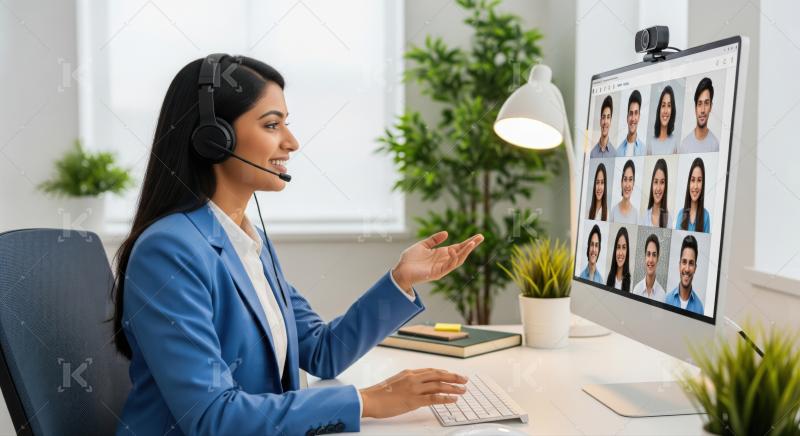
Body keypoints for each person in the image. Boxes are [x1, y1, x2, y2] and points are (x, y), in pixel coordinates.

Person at [111, 54, 485, 435]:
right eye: (272, 125)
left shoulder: (246, 242)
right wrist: (367, 400)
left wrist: (401, 280)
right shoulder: (169, 250)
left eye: (286, 124)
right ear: (213, 139)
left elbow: (323, 352)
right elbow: (213, 418)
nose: (292, 142)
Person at [665, 235, 705, 314]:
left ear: (695, 268)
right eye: (684, 262)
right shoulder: (667, 300)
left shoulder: (699, 308)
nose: (687, 269)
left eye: (691, 263)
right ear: (679, 265)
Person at [679, 77, 719, 153]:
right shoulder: (685, 145)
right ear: (695, 108)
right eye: (699, 104)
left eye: (706, 103)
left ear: (711, 107)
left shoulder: (715, 145)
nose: (703, 110)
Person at [675, 157, 711, 232]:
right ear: (689, 183)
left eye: (699, 180)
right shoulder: (681, 215)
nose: (695, 186)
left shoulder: (706, 217)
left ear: (703, 184)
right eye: (693, 180)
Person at [632, 234, 666, 302]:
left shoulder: (662, 296)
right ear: (645, 257)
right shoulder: (636, 291)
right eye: (648, 254)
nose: (650, 260)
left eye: (654, 255)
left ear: (658, 258)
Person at [640, 158, 671, 228]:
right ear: (652, 184)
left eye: (662, 182)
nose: (658, 188)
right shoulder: (644, 217)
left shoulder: (669, 219)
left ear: (666, 186)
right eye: (656, 182)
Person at [649, 85, 678, 155]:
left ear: (672, 111)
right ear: (659, 109)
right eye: (663, 105)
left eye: (669, 106)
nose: (665, 111)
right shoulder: (651, 143)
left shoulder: (674, 143)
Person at [617, 90, 646, 156]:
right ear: (627, 117)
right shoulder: (618, 151)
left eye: (636, 113)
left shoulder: (644, 150)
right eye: (631, 113)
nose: (633, 118)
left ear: (639, 117)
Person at [610, 159, 638, 224]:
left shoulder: (636, 214)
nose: (627, 185)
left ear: (633, 183)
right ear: (621, 182)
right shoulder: (614, 211)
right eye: (625, 179)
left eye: (630, 180)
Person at [606, 227, 631, 291]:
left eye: (624, 247)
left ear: (627, 251)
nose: (620, 253)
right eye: (618, 247)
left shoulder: (631, 284)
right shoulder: (609, 278)